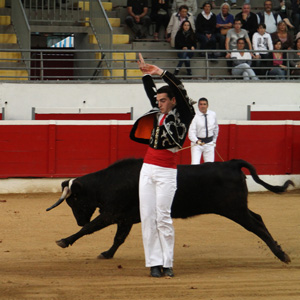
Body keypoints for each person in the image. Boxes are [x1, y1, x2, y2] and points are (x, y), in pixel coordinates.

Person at [130, 53, 195, 278]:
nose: (159, 104)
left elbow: (181, 89)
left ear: (174, 100)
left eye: (164, 100)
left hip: (167, 171)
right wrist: (146, 76)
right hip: (147, 169)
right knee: (147, 217)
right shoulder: (158, 112)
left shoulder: (185, 114)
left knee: (163, 217)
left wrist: (159, 72)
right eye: (158, 101)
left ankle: (168, 262)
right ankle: (154, 263)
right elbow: (152, 93)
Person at [188, 97, 219, 164]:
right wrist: (196, 140)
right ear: (198, 106)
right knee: (195, 164)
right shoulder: (194, 116)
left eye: (204, 104)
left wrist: (214, 141)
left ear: (207, 105)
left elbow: (216, 128)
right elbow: (191, 132)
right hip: (197, 144)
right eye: (201, 104)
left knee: (210, 166)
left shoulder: (213, 114)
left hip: (209, 143)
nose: (202, 106)